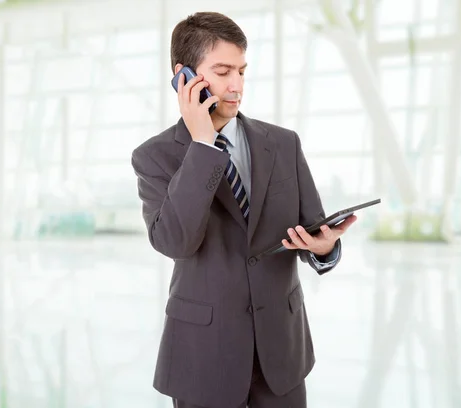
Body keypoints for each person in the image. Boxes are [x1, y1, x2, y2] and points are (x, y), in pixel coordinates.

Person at [131, 11, 357, 408]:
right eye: (222, 71)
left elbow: (313, 230)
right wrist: (202, 146)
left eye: (242, 70)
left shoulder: (283, 144)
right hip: (205, 353)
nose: (236, 85)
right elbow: (174, 242)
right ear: (184, 77)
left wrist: (324, 249)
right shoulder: (155, 157)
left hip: (281, 353)